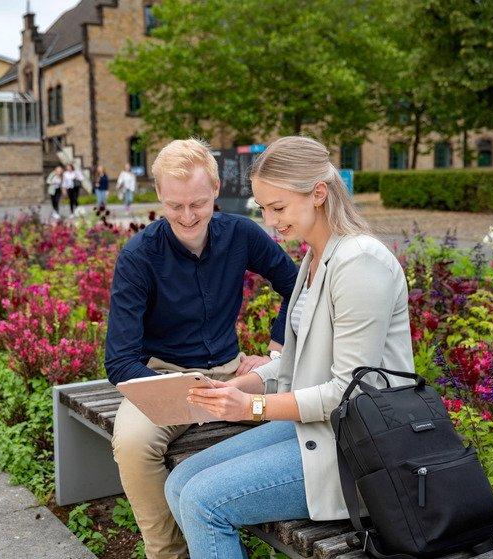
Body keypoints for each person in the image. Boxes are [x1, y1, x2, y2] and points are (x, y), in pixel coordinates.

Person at [163, 136, 415, 557]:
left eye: (278, 208)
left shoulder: (361, 263)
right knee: (178, 481)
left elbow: (349, 392)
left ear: (318, 193)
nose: (270, 221)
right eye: (263, 209)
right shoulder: (315, 259)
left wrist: (251, 409)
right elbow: (295, 364)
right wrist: (242, 386)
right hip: (316, 431)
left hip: (358, 449)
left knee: (200, 500)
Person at [105, 138, 299, 559]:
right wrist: (178, 392)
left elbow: (297, 284)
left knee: (304, 410)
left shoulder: (241, 233)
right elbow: (119, 361)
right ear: (158, 196)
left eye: (198, 203)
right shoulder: (139, 256)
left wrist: (277, 344)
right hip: (162, 376)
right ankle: (168, 551)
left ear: (215, 189)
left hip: (235, 373)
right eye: (175, 206)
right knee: (134, 444)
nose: (187, 216)